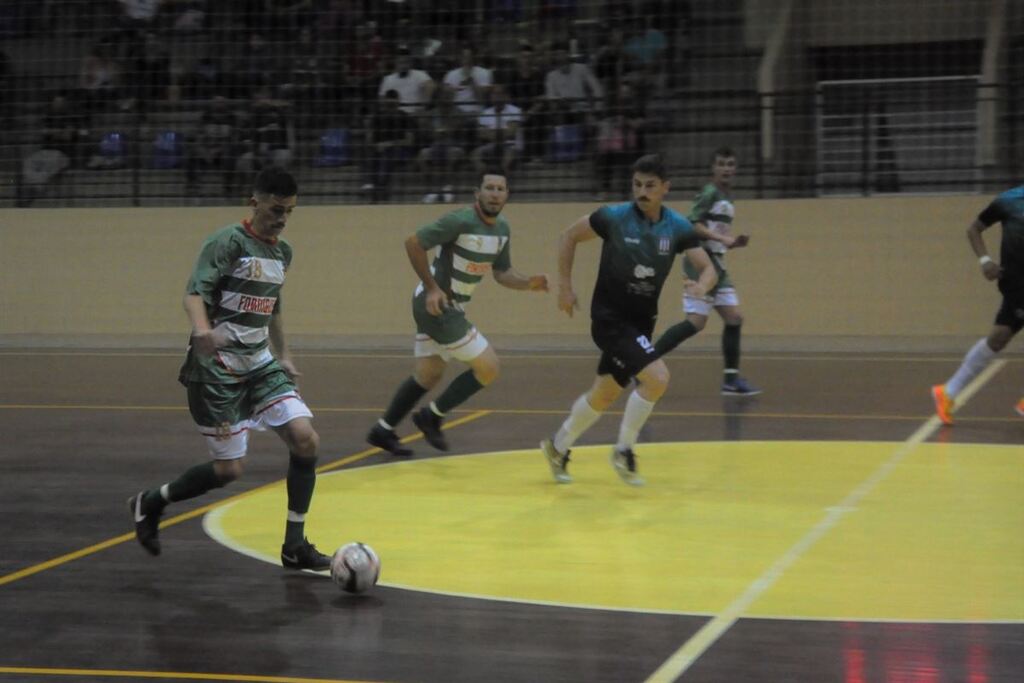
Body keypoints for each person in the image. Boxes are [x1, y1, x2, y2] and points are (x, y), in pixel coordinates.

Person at [128, 167, 331, 571]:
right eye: (276, 209)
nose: (282, 219)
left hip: (260, 364)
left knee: (306, 440)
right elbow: (193, 293)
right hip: (217, 370)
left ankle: (294, 545)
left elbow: (272, 306)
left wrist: (284, 353)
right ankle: (151, 502)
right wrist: (202, 330)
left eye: (290, 212)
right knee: (229, 470)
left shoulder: (282, 252)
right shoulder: (227, 242)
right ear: (253, 202)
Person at [540, 154, 717, 486]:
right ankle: (623, 450)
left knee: (604, 394)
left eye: (650, 185)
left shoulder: (677, 227)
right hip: (609, 319)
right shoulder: (615, 217)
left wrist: (701, 286)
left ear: (665, 188)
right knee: (657, 378)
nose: (642, 191)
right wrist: (565, 286)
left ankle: (556, 446)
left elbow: (707, 268)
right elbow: (568, 236)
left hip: (641, 322)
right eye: (637, 184)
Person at [367, 168, 549, 457]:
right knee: (489, 366)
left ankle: (383, 430)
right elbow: (413, 242)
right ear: (477, 193)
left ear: (507, 194)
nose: (494, 193)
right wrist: (432, 288)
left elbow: (501, 274)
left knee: (428, 374)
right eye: (489, 188)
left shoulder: (502, 230)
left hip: (448, 307)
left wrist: (528, 283)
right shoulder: (460, 220)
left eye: (500, 189)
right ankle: (432, 416)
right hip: (438, 306)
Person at [652, 146, 756, 395]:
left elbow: (714, 233)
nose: (727, 169)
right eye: (721, 164)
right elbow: (692, 225)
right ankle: (643, 363)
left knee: (734, 319)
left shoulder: (726, 198)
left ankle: (731, 380)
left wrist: (731, 241)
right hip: (702, 264)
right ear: (713, 168)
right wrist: (723, 240)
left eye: (730, 164)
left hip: (718, 265)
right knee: (695, 323)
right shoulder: (709, 193)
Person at [932, 185, 1024, 424]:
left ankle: (948, 392)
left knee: (998, 338)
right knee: (999, 338)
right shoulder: (1008, 201)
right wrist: (985, 261)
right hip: (1017, 286)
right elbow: (974, 229)